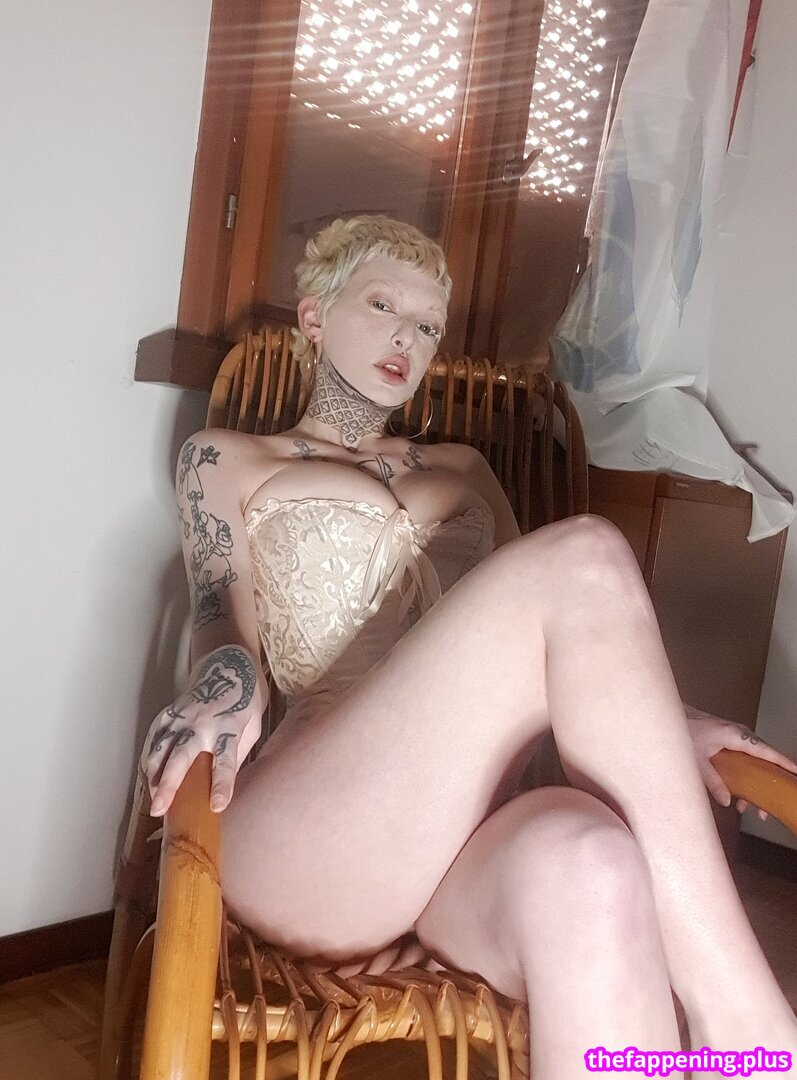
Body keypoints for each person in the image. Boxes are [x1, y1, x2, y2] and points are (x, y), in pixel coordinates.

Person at [142, 215, 797, 1078]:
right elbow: (218, 616)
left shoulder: (462, 469)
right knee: (585, 554)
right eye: (383, 306)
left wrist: (675, 720)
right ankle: (754, 1032)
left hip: (472, 843)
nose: (406, 339)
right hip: (318, 829)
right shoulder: (225, 457)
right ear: (313, 317)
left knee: (591, 865)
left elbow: (563, 638)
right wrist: (220, 688)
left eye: (426, 325)